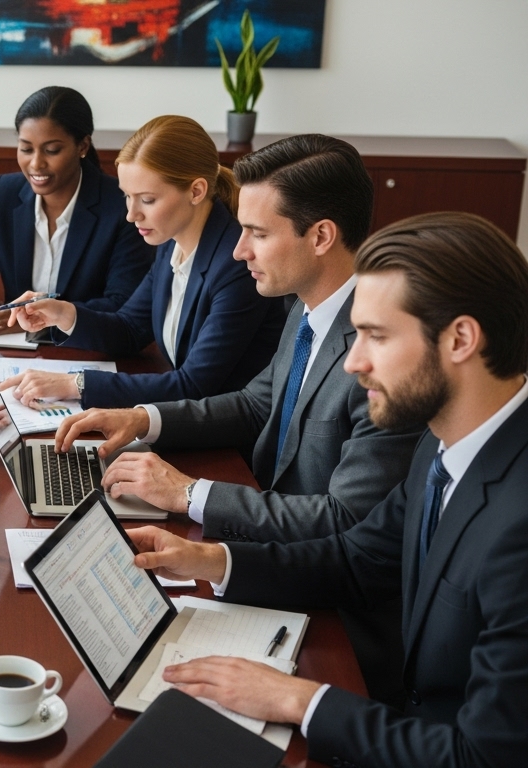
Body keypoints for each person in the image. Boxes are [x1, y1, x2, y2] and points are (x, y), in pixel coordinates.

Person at [127, 212, 528, 768]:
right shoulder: (446, 442)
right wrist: (211, 560)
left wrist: (300, 700)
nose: (355, 362)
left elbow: (481, 757)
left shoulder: (518, 521)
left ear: (461, 338)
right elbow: (360, 559)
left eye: (377, 336)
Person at [54, 135, 423, 704]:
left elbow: (347, 519)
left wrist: (190, 494)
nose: (237, 251)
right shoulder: (306, 304)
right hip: (271, 556)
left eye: (257, 233)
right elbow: (256, 403)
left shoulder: (381, 351)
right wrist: (141, 418)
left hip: (338, 622)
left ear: (320, 236)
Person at [0, 115, 285, 408]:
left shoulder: (236, 263)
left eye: (147, 200)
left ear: (196, 191)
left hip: (232, 439)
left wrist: (75, 383)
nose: (131, 214)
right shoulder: (170, 242)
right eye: (127, 197)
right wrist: (61, 314)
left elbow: (195, 384)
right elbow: (130, 329)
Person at [0, 86, 154, 335]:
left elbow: (123, 303)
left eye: (52, 150)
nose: (36, 164)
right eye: (26, 149)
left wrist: (37, 320)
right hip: (12, 349)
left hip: (87, 349)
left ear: (82, 146)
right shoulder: (5, 193)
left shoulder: (120, 205)